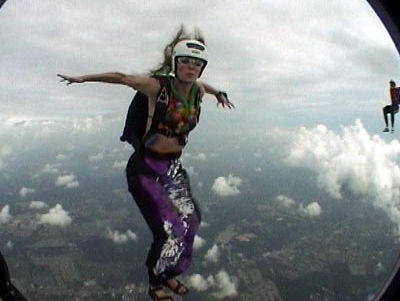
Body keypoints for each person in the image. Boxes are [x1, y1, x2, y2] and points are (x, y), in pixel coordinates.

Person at [58, 26, 233, 301]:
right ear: (175, 63)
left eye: (197, 64)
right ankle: (155, 284)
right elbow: (122, 78)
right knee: (166, 232)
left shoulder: (197, 89)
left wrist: (219, 93)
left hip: (172, 167)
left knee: (191, 221)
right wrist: (83, 78)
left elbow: (204, 86)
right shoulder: (157, 87)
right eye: (186, 62)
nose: (191, 68)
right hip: (146, 168)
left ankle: (168, 274)